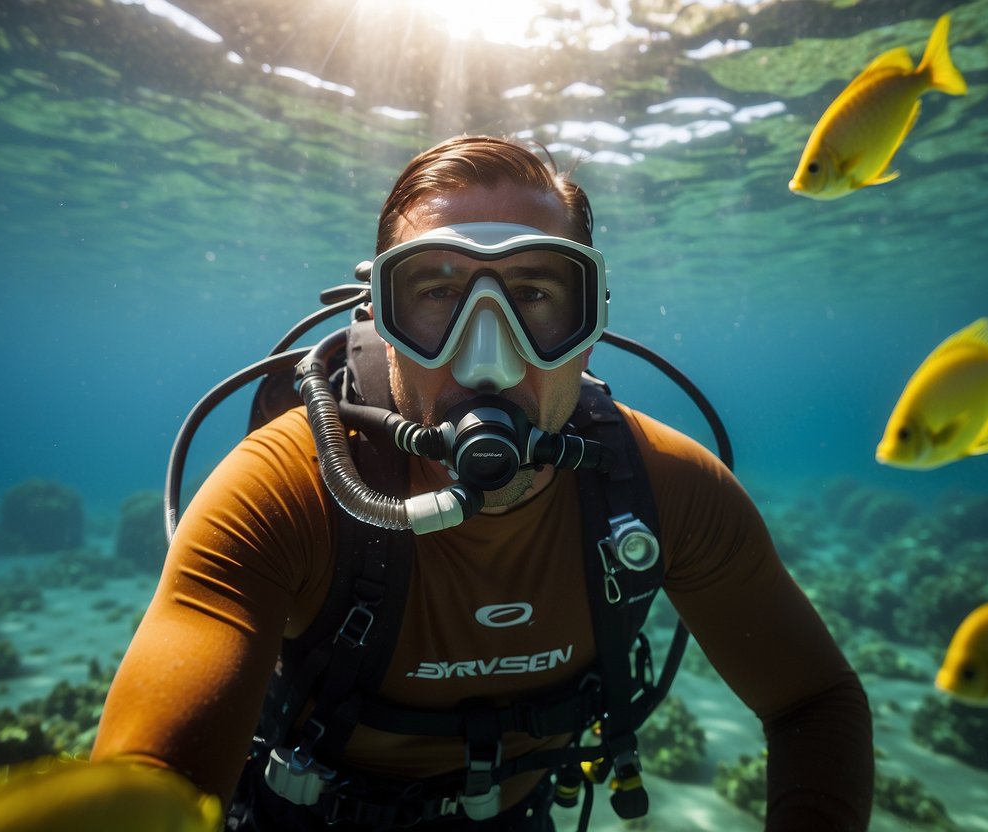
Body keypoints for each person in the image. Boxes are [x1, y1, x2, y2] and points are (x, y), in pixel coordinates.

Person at [91, 135, 874, 831]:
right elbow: (149, 784)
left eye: (534, 294)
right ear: (379, 319)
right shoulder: (284, 489)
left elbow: (813, 702)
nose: (487, 362)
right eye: (435, 295)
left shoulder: (665, 487)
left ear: (591, 319)